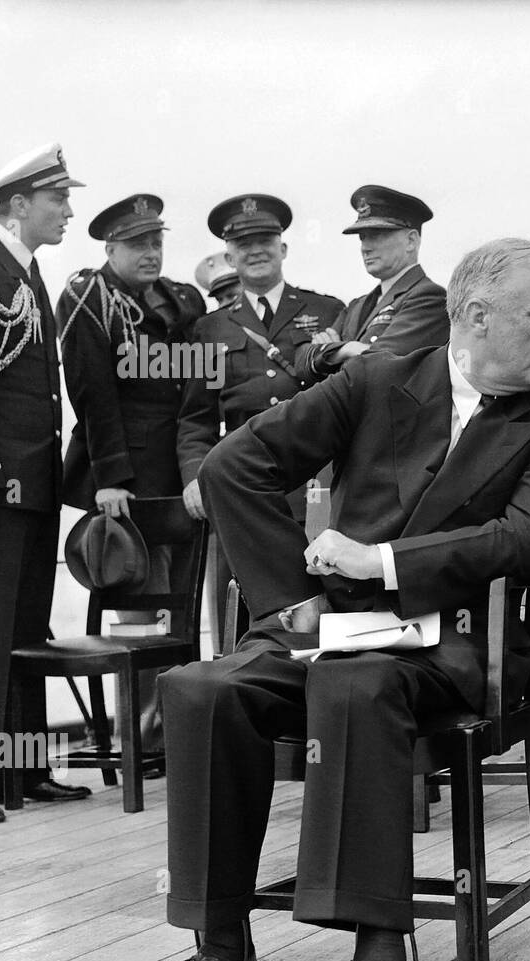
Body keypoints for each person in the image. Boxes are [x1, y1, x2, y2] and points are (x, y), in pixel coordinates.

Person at [158, 237, 530, 961]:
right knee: (201, 691)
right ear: (478, 317)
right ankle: (220, 947)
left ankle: (380, 953)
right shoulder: (376, 382)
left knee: (357, 688)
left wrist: (380, 562)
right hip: (329, 632)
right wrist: (299, 602)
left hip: (452, 645)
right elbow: (234, 468)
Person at [0, 143, 91, 822]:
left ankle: (27, 770)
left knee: (27, 630)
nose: (68, 211)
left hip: (35, 483)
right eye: (57, 200)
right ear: (19, 206)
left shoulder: (26, 271)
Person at [59, 194, 206, 755]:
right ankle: (140, 741)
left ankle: (175, 735)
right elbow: (94, 395)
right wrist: (110, 477)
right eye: (138, 244)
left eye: (157, 242)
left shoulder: (176, 299)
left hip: (178, 471)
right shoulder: (87, 298)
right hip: (126, 479)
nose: (150, 253)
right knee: (139, 613)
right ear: (110, 247)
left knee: (178, 610)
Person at [176, 194, 344, 649]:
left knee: (318, 611)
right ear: (229, 256)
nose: (256, 251)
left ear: (283, 248)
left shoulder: (327, 312)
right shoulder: (208, 331)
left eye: (265, 240)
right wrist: (195, 477)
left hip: (313, 483)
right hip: (241, 483)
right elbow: (195, 419)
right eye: (243, 244)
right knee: (240, 615)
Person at [294, 186, 448, 383]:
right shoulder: (358, 305)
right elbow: (301, 363)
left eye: (377, 235)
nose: (365, 248)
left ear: (411, 241)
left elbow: (378, 368)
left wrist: (327, 356)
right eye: (362, 237)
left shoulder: (429, 298)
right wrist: (346, 349)